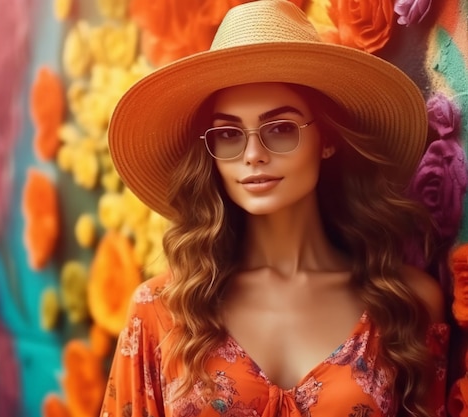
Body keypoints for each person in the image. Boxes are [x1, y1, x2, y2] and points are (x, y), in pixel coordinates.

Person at [100, 1, 449, 416]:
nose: (252, 154)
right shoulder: (161, 310)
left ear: (328, 139)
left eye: (280, 128)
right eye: (228, 134)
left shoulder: (405, 304)